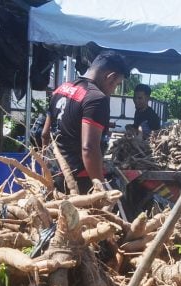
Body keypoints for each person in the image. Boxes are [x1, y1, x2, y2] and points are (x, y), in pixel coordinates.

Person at [42, 50, 129, 193]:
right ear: (111, 77)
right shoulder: (96, 98)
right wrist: (100, 188)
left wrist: (45, 168)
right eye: (116, 84)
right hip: (78, 182)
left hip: (54, 173)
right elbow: (89, 149)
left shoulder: (61, 89)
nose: (113, 90)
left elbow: (45, 134)